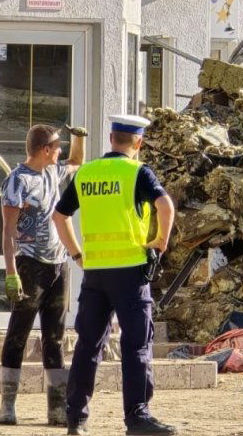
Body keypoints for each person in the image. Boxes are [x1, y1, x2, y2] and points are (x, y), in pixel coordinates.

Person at [52, 114, 176, 436]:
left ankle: (75, 418)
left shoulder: (87, 172)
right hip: (131, 273)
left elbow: (59, 215)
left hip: (95, 273)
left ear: (110, 139)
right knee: (136, 345)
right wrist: (159, 244)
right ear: (138, 142)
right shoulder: (138, 172)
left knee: (88, 345)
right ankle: (136, 418)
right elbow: (166, 206)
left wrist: (78, 254)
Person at [0, 124, 87, 426]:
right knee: (18, 334)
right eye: (57, 146)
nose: (60, 151)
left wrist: (79, 138)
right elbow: (8, 232)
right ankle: (7, 406)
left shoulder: (52, 172)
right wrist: (11, 273)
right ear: (45, 149)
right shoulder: (17, 181)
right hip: (29, 264)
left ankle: (57, 408)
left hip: (57, 264)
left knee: (55, 336)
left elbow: (76, 162)